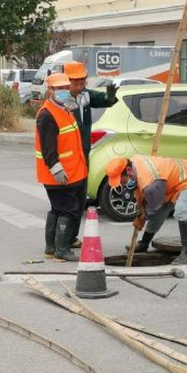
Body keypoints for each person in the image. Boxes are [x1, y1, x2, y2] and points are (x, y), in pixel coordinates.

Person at [106, 155, 187, 265]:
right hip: (169, 184)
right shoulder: (134, 163)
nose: (120, 184)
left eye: (120, 179)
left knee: (181, 210)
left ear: (128, 170)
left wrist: (143, 217)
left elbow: (153, 209)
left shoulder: (151, 184)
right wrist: (141, 212)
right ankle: (144, 243)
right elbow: (142, 199)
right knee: (160, 210)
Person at [63, 61, 118, 248]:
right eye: (76, 83)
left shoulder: (86, 95)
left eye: (82, 82)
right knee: (66, 201)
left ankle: (71, 237)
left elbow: (104, 100)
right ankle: (61, 240)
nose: (80, 86)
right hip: (67, 157)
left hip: (83, 155)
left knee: (80, 198)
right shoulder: (61, 99)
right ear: (66, 81)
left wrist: (111, 96)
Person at [35, 72, 87, 262]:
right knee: (68, 209)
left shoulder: (63, 109)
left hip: (72, 172)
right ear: (50, 91)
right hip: (59, 175)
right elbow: (48, 147)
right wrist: (56, 169)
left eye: (66, 87)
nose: (64, 91)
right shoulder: (47, 115)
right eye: (59, 89)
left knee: (58, 209)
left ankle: (51, 247)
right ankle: (61, 250)